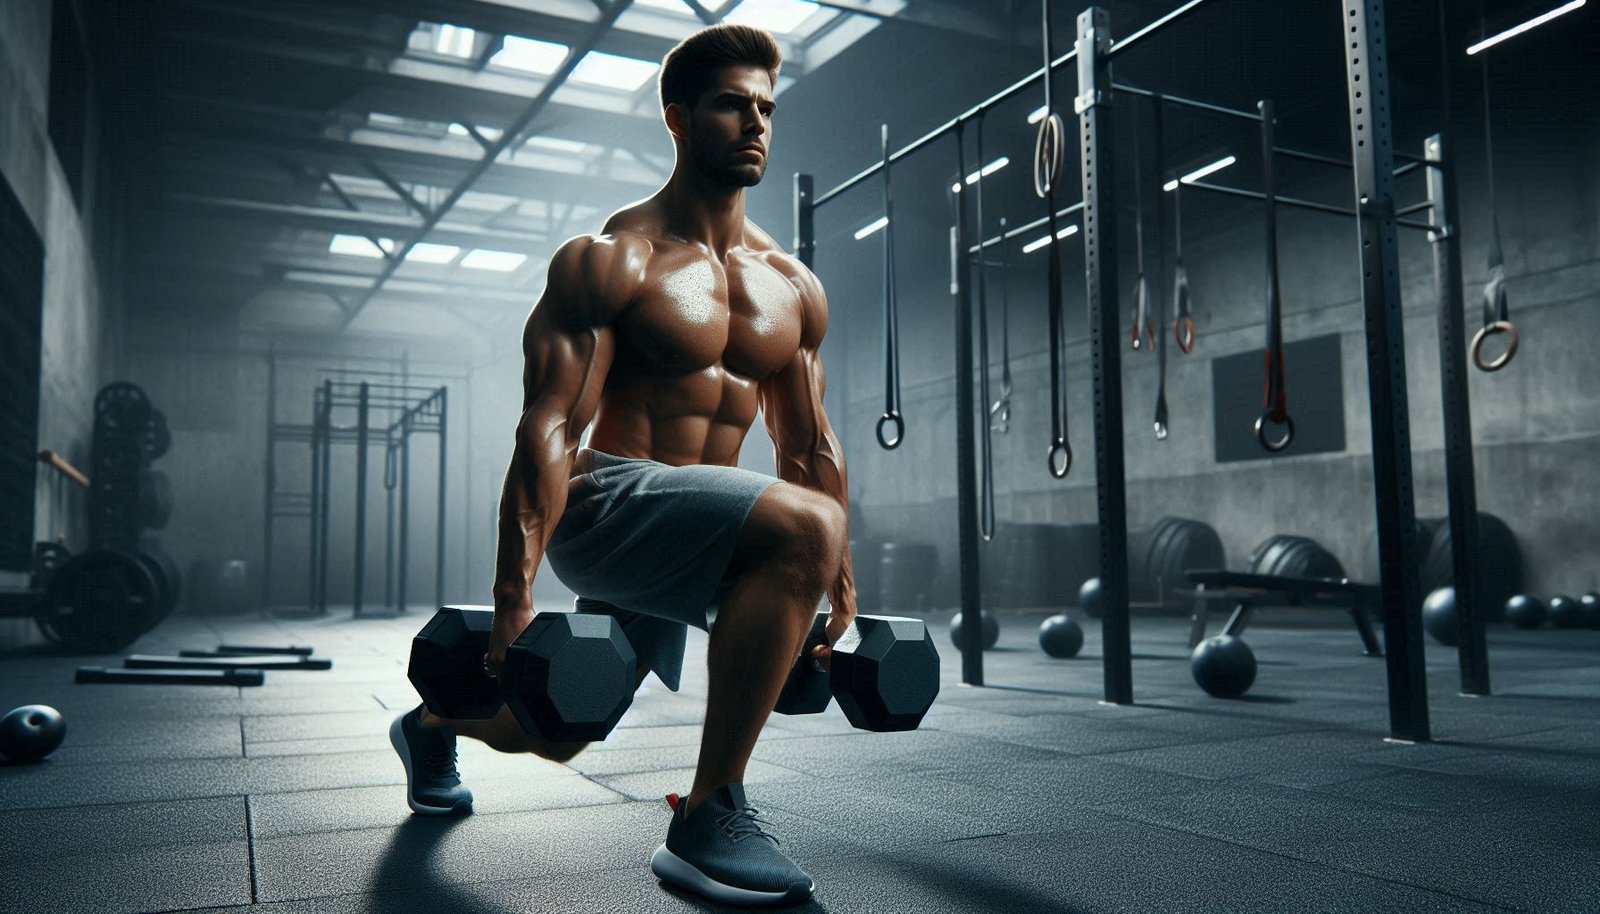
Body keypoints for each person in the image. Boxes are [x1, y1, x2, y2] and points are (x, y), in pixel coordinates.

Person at [389, 23, 855, 908]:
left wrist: (840, 578)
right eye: (730, 105)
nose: (754, 123)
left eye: (766, 108)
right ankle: (709, 815)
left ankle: (432, 723)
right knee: (803, 522)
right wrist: (513, 597)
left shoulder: (791, 285)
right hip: (608, 504)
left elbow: (807, 445)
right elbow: (552, 427)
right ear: (679, 119)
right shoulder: (614, 259)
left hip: (697, 527)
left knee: (560, 730)